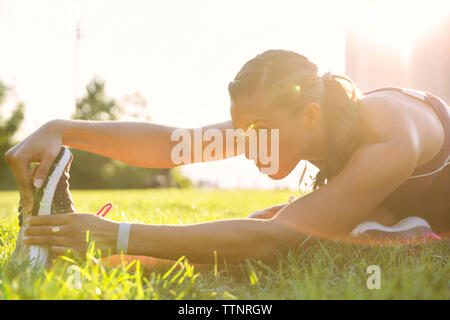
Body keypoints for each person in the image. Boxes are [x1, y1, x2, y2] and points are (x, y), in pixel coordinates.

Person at [5, 50, 449, 265]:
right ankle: (385, 223)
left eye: (254, 132)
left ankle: (392, 228)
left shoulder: (391, 134)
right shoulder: (293, 122)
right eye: (241, 129)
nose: (244, 142)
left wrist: (117, 237)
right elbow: (171, 146)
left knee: (281, 233)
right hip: (393, 199)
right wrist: (60, 129)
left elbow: (271, 238)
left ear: (310, 115)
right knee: (259, 225)